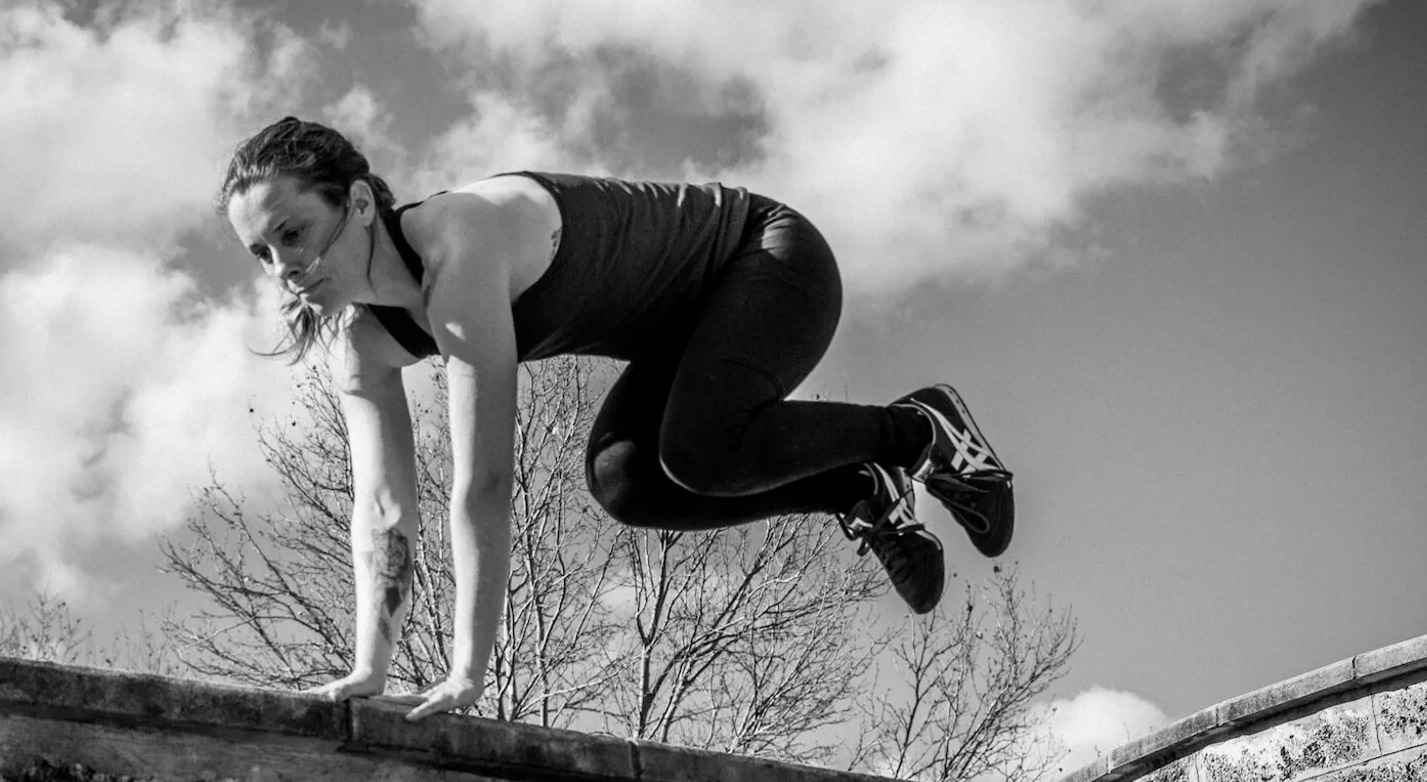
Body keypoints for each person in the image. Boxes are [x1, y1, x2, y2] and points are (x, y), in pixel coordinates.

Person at [219, 116, 1014, 721]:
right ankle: (858, 485)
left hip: (768, 260)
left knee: (700, 447)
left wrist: (467, 672)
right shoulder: (362, 345)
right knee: (626, 479)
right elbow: (384, 512)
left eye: (293, 232)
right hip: (690, 332)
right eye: (261, 252)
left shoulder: (457, 248)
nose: (283, 266)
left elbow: (483, 483)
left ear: (357, 203)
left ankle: (921, 430)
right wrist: (369, 670)